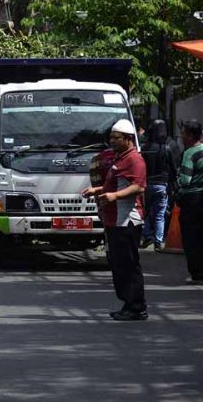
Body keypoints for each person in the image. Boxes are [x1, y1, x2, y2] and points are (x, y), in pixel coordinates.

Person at [81, 119, 148, 321]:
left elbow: (138, 187)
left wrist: (114, 197)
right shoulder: (120, 158)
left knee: (128, 265)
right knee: (119, 265)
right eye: (111, 137)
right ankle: (128, 304)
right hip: (114, 220)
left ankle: (137, 307)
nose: (112, 141)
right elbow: (114, 184)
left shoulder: (134, 159)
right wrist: (99, 190)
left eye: (116, 138)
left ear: (128, 139)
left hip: (126, 220)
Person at [140, 119, 178, 250]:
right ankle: (158, 241)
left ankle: (146, 236)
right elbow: (173, 169)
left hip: (146, 185)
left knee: (146, 213)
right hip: (162, 185)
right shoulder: (166, 148)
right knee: (160, 214)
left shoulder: (144, 149)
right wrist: (173, 186)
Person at [176, 119, 203, 284]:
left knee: (191, 238)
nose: (181, 136)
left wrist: (177, 181)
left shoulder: (190, 152)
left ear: (191, 135)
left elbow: (185, 180)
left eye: (184, 133)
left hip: (192, 199)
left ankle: (197, 274)